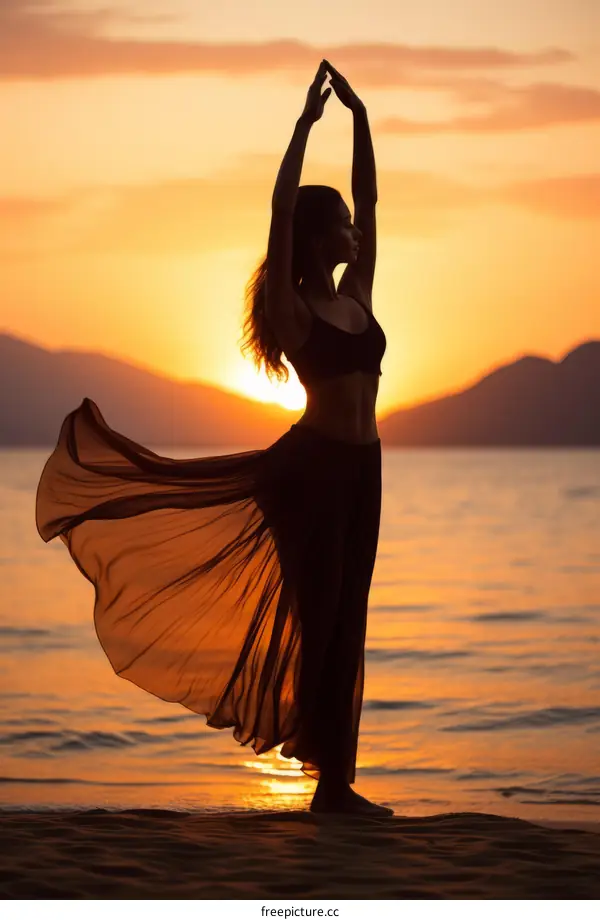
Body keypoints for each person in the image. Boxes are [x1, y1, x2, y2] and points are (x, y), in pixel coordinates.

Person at [35, 60, 390, 816]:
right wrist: (303, 127)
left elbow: (373, 195)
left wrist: (360, 119)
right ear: (322, 237)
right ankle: (329, 781)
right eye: (346, 227)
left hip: (366, 471)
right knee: (320, 615)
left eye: (357, 228)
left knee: (349, 615)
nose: (358, 232)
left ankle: (336, 785)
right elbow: (281, 216)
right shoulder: (293, 313)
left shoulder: (359, 294)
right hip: (312, 474)